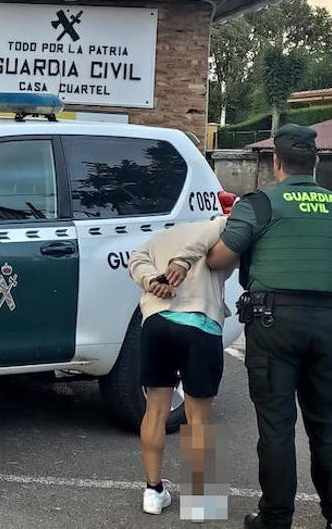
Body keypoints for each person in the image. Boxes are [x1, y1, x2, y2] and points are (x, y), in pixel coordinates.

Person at [206, 124, 332, 529]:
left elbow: (219, 258)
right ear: (317, 160)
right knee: (327, 423)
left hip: (276, 322)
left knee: (276, 425)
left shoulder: (261, 203)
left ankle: (275, 518)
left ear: (276, 161)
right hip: (331, 323)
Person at [128, 217, 231, 519]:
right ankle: (202, 503)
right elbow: (223, 225)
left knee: (156, 409)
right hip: (201, 322)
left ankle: (153, 490)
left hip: (157, 322)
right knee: (199, 416)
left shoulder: (161, 237)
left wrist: (151, 281)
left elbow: (135, 260)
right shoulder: (220, 227)